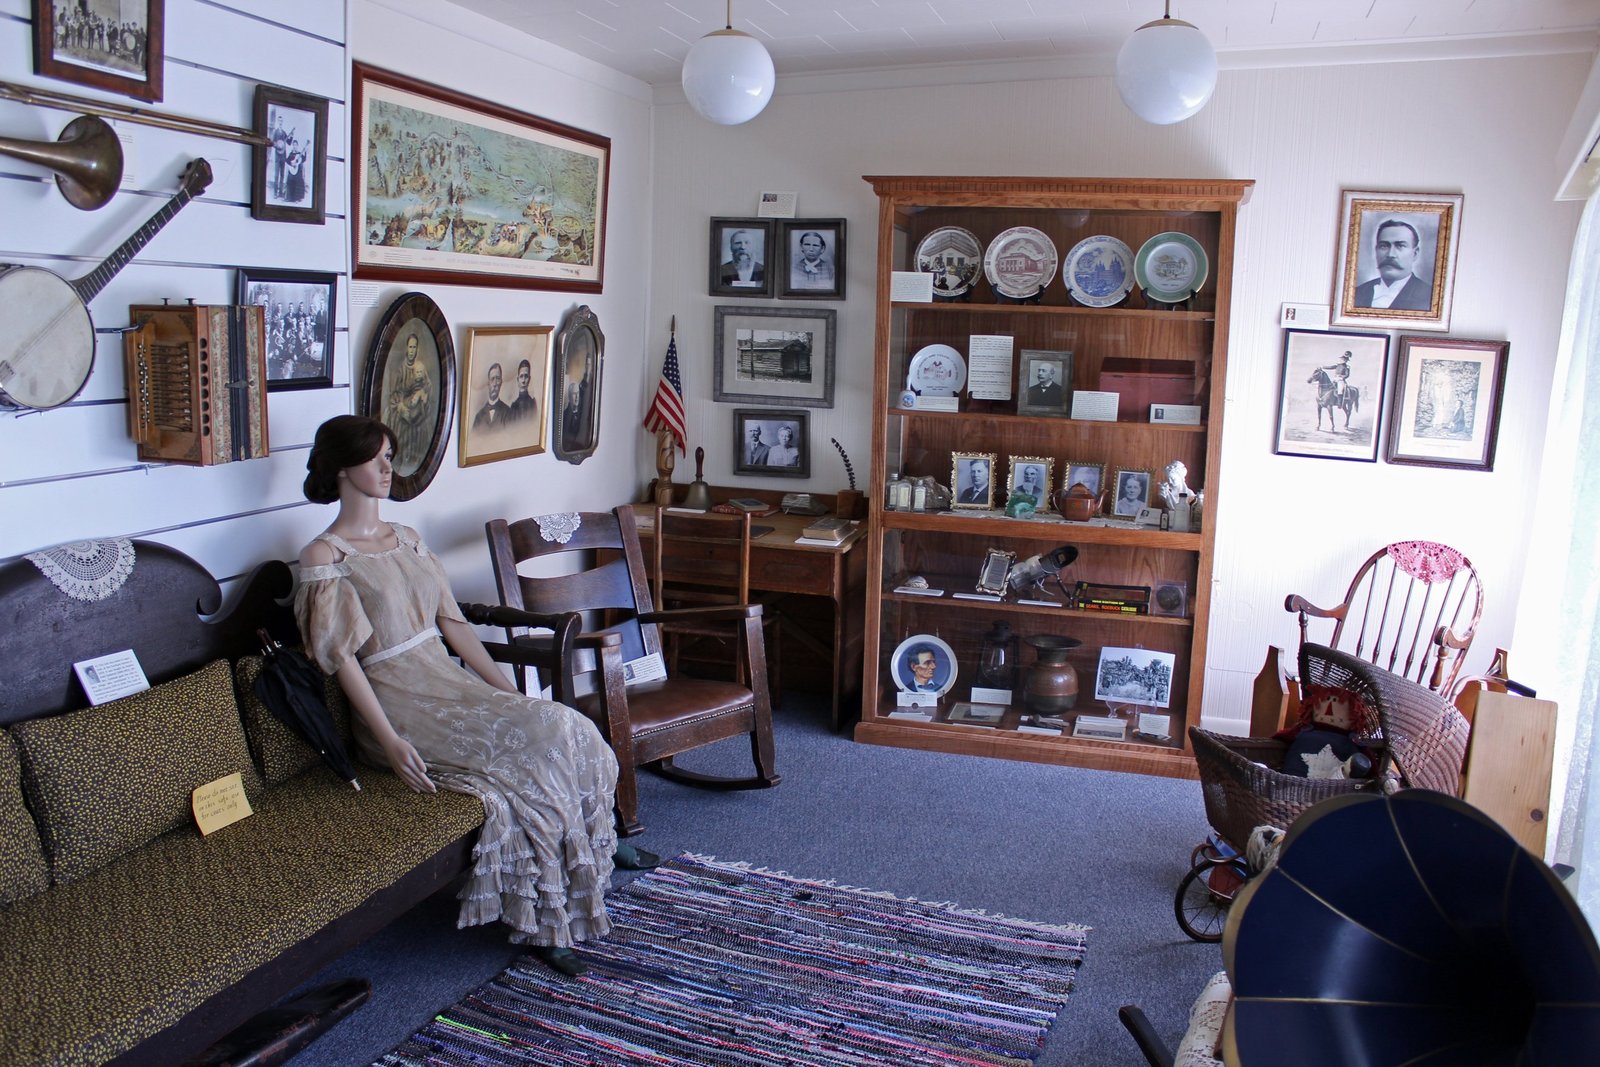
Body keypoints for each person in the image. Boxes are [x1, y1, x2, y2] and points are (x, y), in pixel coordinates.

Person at [293, 415, 656, 977]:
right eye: (375, 458)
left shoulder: (408, 539)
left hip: (447, 680)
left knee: (563, 723)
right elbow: (342, 661)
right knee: (530, 758)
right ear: (342, 468)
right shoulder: (324, 559)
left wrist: (508, 691)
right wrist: (387, 740)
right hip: (399, 701)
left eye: (390, 454)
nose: (388, 468)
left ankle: (594, 847)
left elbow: (455, 625)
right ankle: (547, 914)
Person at [1354, 219, 1431, 310]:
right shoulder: (1357, 293)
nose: (1390, 254)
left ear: (1415, 254)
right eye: (1383, 246)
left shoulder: (1429, 296)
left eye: (1400, 246)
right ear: (1376, 251)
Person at [384, 334, 432, 475]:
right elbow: (393, 394)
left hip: (417, 413)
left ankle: (415, 462)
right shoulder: (400, 370)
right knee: (400, 429)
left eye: (414, 347)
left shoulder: (420, 367)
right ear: (406, 348)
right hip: (402, 410)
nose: (412, 350)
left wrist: (421, 393)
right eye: (410, 347)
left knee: (421, 428)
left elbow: (428, 386)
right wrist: (400, 407)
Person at [472, 362, 513, 431]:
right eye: (492, 379)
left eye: (498, 379)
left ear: (501, 382)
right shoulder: (478, 417)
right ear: (488, 383)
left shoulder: (508, 413)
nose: (495, 384)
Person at [508, 359, 537, 424]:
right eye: (521, 376)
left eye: (526, 376)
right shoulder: (513, 406)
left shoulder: (533, 404)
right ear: (518, 380)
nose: (523, 380)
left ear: (529, 379)